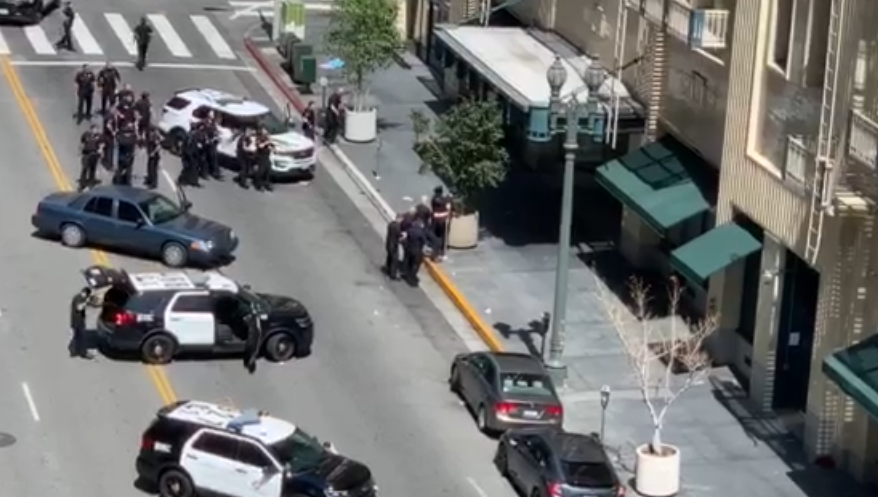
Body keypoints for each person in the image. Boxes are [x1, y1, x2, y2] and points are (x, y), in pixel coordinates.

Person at [402, 217, 435, 286]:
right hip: (417, 251)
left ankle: (406, 273)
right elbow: (424, 242)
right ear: (420, 225)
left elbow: (405, 238)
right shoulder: (421, 233)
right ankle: (412, 275)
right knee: (415, 264)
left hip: (409, 249)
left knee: (407, 262)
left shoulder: (410, 230)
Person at [69, 287, 94, 360]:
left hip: (75, 321)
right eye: (87, 295)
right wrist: (86, 302)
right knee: (82, 338)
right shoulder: (79, 298)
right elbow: (79, 308)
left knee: (77, 337)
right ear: (86, 293)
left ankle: (74, 352)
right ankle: (84, 353)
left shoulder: (78, 297)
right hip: (78, 322)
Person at [78, 124, 103, 191]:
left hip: (94, 155)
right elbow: (82, 143)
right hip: (86, 154)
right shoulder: (86, 135)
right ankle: (82, 185)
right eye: (94, 129)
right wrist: (80, 152)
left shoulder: (99, 136)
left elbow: (101, 145)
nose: (95, 130)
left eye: (96, 129)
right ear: (91, 129)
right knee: (84, 170)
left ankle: (91, 185)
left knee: (92, 171)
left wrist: (100, 151)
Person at [430, 186, 451, 259]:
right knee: (442, 236)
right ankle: (440, 251)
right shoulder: (443, 199)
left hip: (435, 219)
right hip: (442, 220)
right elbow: (446, 206)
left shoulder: (434, 199)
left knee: (436, 235)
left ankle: (437, 250)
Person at [114, 119, 137, 185]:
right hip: (129, 157)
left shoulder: (121, 137)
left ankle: (118, 182)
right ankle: (128, 182)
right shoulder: (132, 138)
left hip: (121, 156)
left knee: (120, 169)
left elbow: (117, 142)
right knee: (129, 170)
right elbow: (135, 146)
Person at [384, 213, 405, 280]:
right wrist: (403, 236)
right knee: (394, 260)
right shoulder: (397, 226)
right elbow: (398, 235)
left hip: (388, 243)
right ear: (399, 218)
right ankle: (392, 275)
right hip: (393, 245)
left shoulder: (391, 224)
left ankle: (387, 268)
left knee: (389, 257)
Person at [200, 112, 221, 179]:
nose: (212, 118)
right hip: (206, 144)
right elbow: (203, 131)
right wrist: (206, 138)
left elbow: (214, 131)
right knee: (205, 159)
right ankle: (204, 174)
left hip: (211, 144)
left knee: (212, 158)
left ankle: (215, 173)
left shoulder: (212, 124)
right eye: (211, 116)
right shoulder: (205, 122)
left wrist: (216, 136)